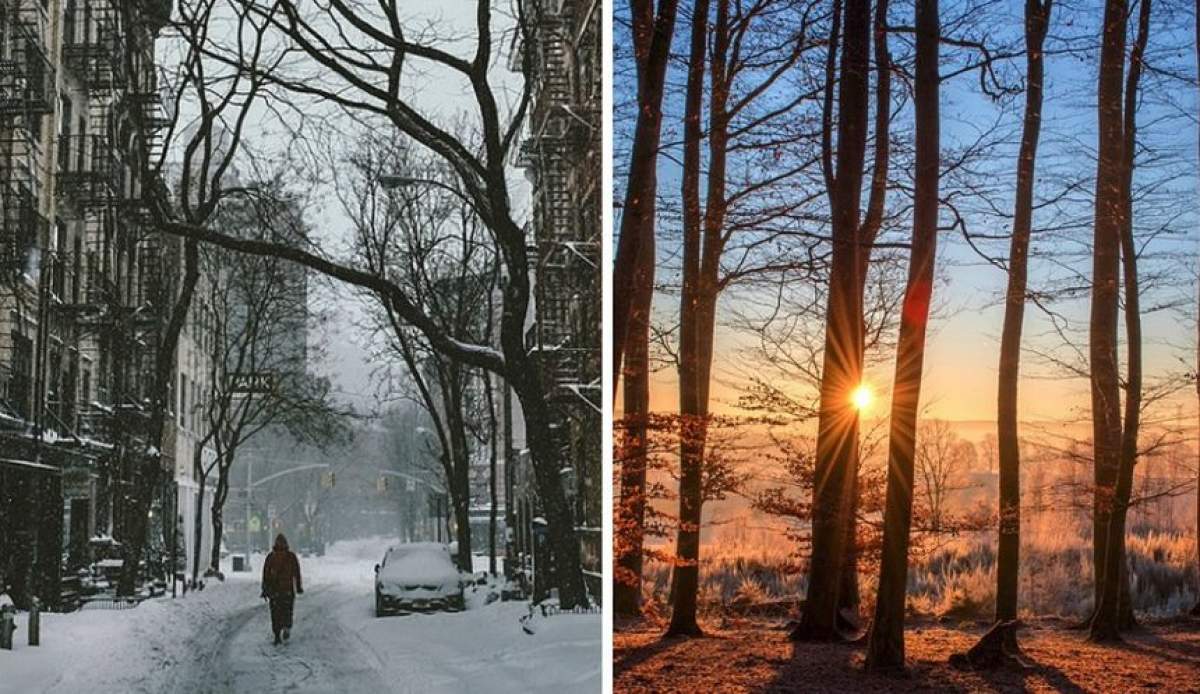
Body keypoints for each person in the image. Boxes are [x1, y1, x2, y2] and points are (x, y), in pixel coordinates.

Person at [261, 533, 303, 645]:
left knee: (275, 614)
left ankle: (277, 634)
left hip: (274, 592)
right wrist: (298, 587)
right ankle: (287, 627)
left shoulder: (271, 557)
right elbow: (296, 573)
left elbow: (265, 574)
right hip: (287, 591)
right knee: (287, 611)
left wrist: (265, 589)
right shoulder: (291, 557)